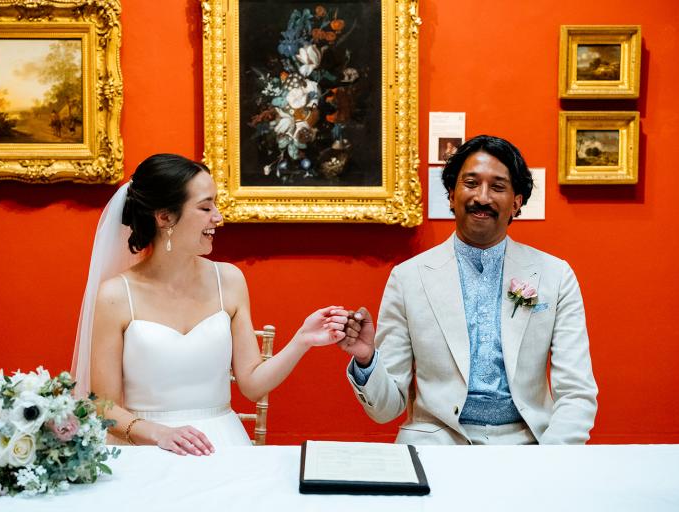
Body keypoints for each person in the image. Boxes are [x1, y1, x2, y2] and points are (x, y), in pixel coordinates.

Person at [72, 154, 349, 455]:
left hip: (222, 445)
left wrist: (302, 340)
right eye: (205, 207)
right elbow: (103, 406)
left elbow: (253, 386)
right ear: (164, 217)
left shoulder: (229, 280)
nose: (218, 217)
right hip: (146, 448)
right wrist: (159, 434)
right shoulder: (115, 295)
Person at [339, 135, 597, 445]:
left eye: (498, 187)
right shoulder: (408, 278)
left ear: (517, 202)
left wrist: (548, 462)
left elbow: (576, 393)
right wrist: (368, 360)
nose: (482, 197)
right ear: (451, 195)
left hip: (529, 446)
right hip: (435, 445)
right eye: (471, 183)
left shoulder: (555, 276)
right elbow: (386, 409)